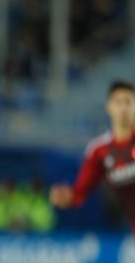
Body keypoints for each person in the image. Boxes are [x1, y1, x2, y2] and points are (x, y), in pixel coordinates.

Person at [51, 80, 135, 232]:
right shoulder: (99, 150)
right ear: (108, 107)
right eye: (118, 102)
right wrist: (68, 198)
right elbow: (80, 192)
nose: (123, 108)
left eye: (128, 102)